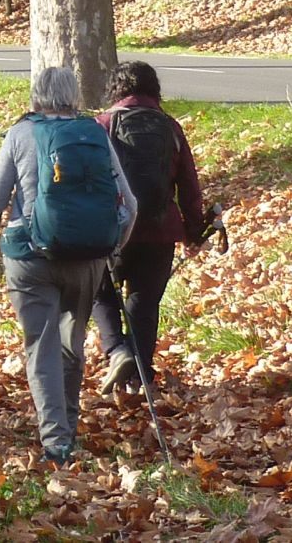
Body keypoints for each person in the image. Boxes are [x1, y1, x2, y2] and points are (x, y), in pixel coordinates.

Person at [0, 67, 138, 467]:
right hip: (88, 257)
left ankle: (57, 442)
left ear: (37, 95)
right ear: (74, 95)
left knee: (42, 346)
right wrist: (111, 247)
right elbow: (130, 205)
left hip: (29, 257)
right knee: (72, 342)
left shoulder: (20, 133)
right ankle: (68, 426)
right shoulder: (93, 133)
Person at [91, 61, 205, 395]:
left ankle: (117, 350)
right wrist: (193, 232)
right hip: (161, 229)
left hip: (114, 230)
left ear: (116, 89)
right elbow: (189, 186)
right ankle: (138, 376)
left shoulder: (101, 125)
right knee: (144, 302)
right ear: (154, 89)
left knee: (101, 291)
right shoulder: (170, 128)